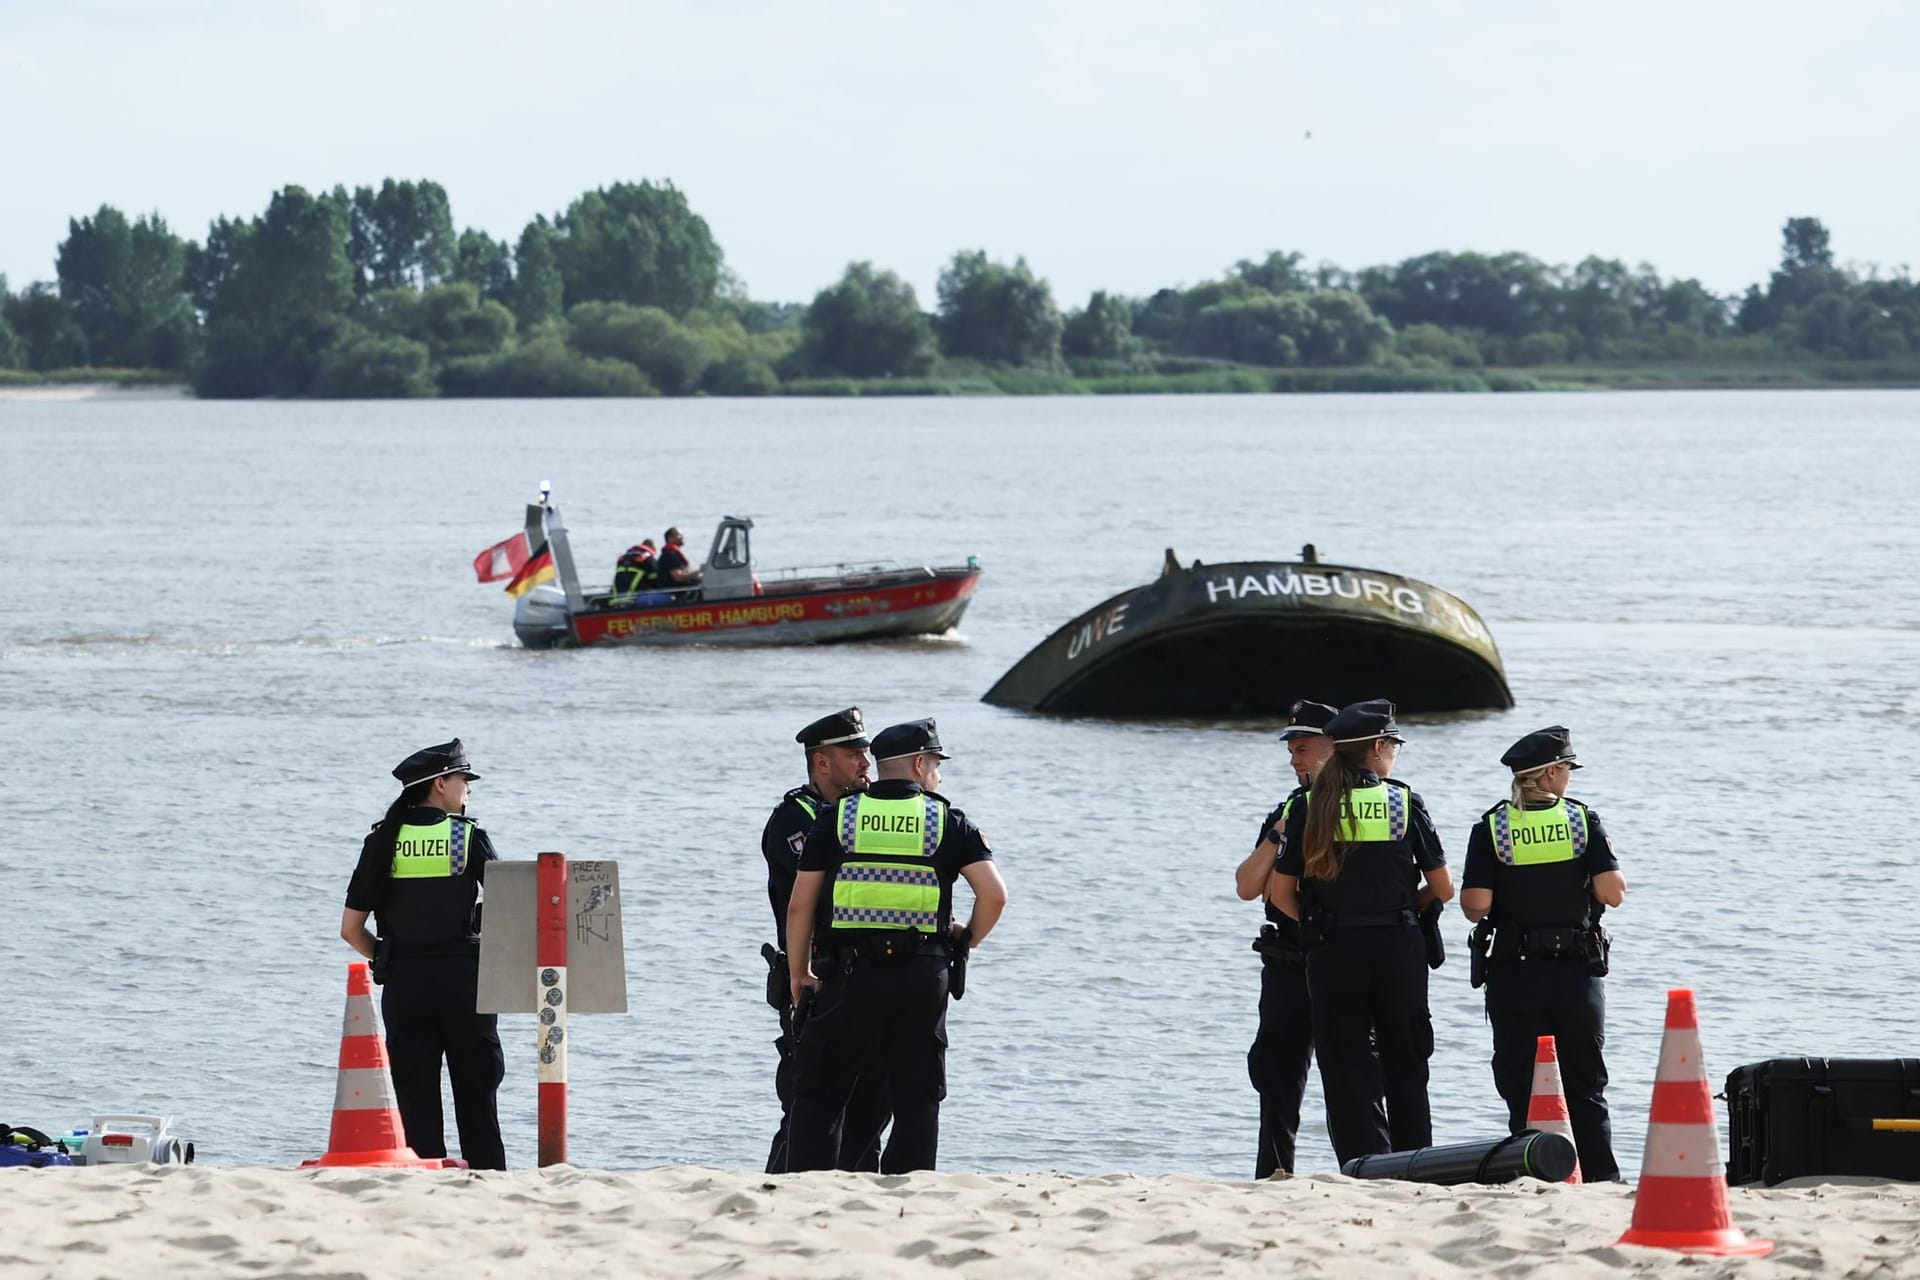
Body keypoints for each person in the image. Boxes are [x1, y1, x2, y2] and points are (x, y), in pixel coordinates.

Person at [784, 718, 1008, 1173]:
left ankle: (804, 1191)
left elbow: (799, 906)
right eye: (937, 765)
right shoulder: (947, 819)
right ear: (921, 764)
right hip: (921, 976)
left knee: (821, 1095)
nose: (939, 775)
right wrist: (968, 938)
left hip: (847, 977)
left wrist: (798, 971)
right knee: (917, 1096)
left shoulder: (838, 817)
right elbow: (994, 895)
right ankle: (909, 1190)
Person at [1269, 699, 1452, 1166]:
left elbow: (1280, 893)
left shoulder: (1309, 806)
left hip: (1333, 952)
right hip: (1398, 950)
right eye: (1393, 744)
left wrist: (1315, 925)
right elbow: (1443, 887)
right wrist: (1412, 907)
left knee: (1346, 1066)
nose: (1395, 753)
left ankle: (1364, 1166)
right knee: (1406, 1062)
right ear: (1376, 748)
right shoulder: (1404, 802)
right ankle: (1415, 1161)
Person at [1460, 726, 1627, 1181]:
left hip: (1515, 974)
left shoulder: (1492, 827)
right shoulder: (1581, 821)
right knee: (1586, 1084)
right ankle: (1601, 1178)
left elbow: (1475, 908)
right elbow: (1612, 894)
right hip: (1576, 972)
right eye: (1568, 769)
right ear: (1551, 773)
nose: (1569, 778)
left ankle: (1535, 1172)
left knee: (1522, 1085)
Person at [339, 739, 505, 1170]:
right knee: (477, 1100)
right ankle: (487, 1186)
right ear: (439, 784)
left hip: (405, 987)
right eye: (464, 779)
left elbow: (351, 931)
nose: (468, 789)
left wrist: (389, 959)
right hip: (466, 986)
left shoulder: (383, 842)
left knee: (416, 1104)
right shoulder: (464, 837)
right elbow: (512, 913)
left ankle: (426, 1185)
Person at [1235, 699, 1381, 1178]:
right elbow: (1246, 885)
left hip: (1342, 960)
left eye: (1303, 749)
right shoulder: (1289, 809)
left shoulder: (1372, 804)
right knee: (1276, 1077)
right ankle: (1273, 1176)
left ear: (1334, 747)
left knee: (1356, 1083)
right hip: (1289, 962)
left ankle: (1370, 1171)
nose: (1294, 760)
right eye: (1292, 751)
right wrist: (1278, 836)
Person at [760, 707, 891, 1175]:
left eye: (867, 754)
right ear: (821, 762)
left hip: (865, 976)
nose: (866, 764)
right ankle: (777, 1191)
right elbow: (819, 894)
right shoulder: (794, 819)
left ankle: (858, 1190)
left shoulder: (866, 813)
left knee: (872, 1102)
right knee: (808, 1103)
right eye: (853, 754)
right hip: (815, 976)